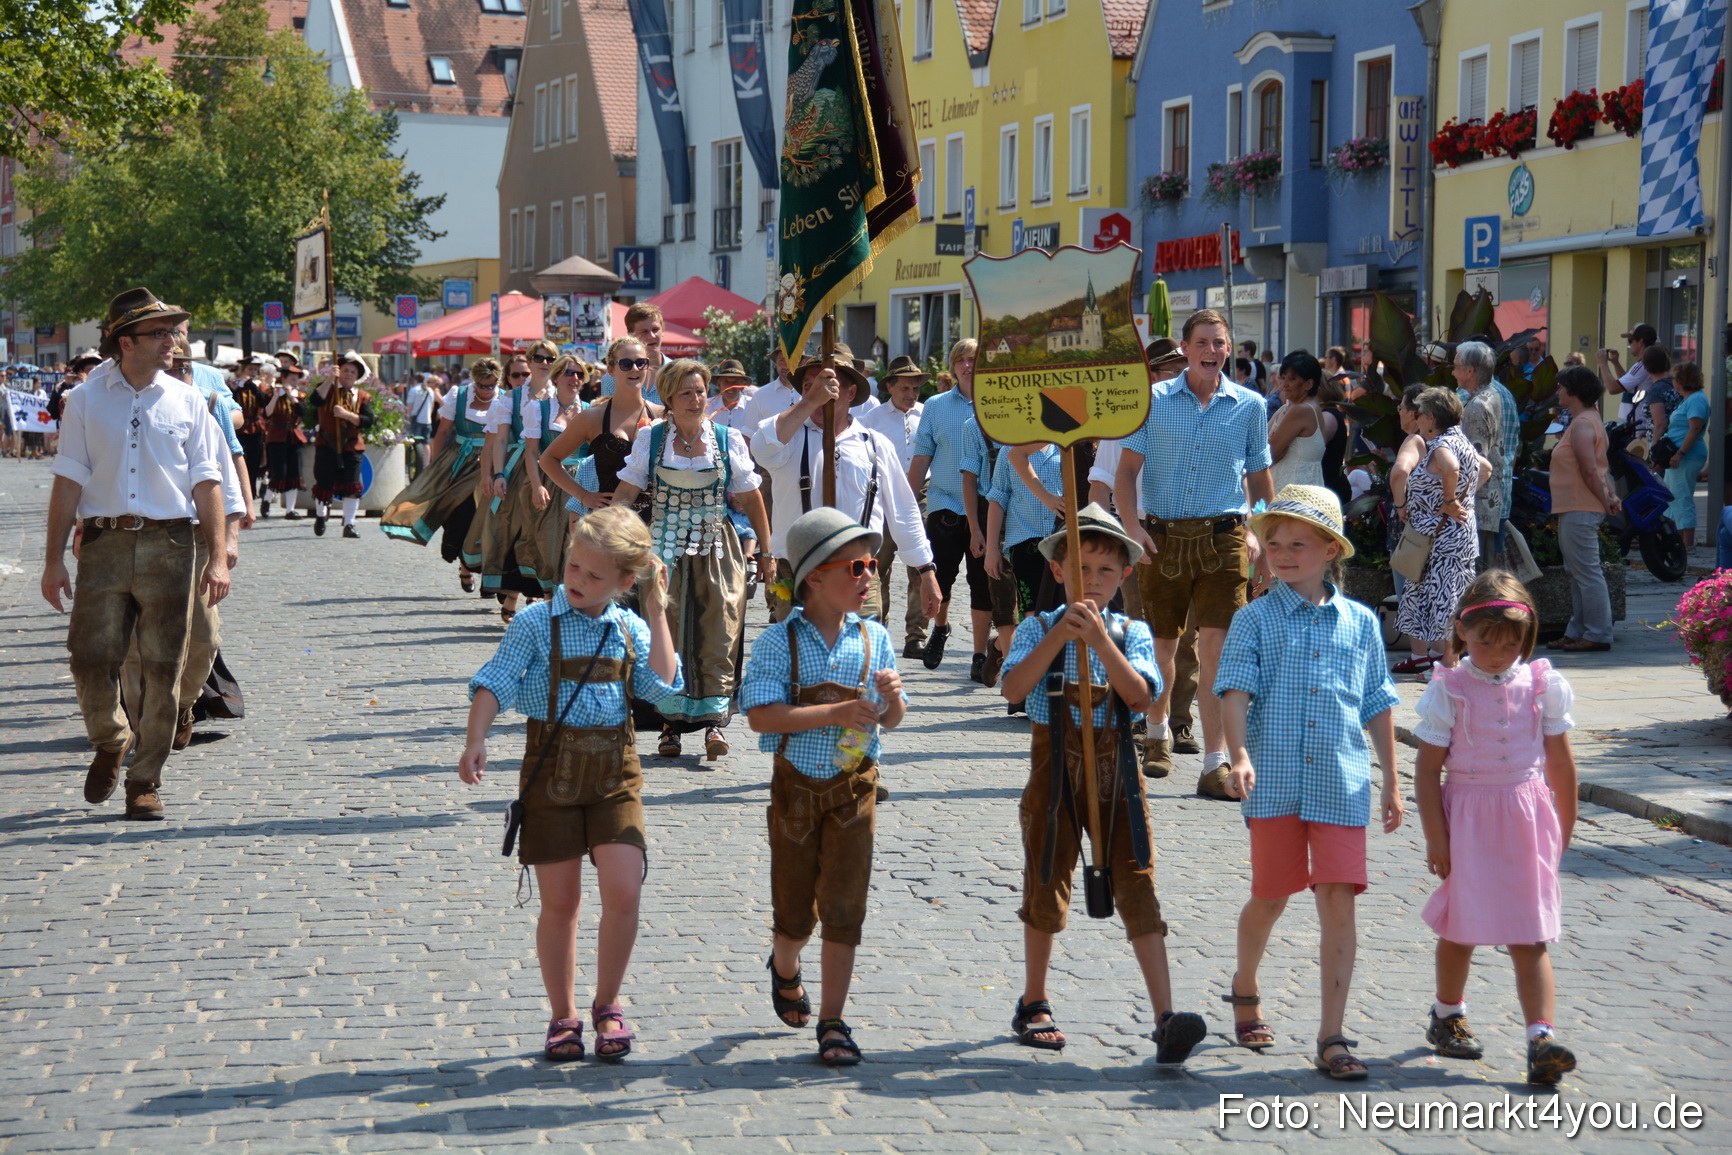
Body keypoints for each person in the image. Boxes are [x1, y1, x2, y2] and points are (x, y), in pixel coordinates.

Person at [460, 505, 681, 1062]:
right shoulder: (536, 622)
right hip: (552, 775)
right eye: (574, 567)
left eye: (593, 575)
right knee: (561, 902)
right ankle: (564, 1015)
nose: (577, 581)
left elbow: (662, 686)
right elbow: (496, 680)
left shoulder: (627, 626)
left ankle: (609, 1005)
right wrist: (475, 738)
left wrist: (656, 614)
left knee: (625, 891)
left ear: (625, 582)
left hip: (615, 776)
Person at [998, 503, 1208, 1062]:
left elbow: (1141, 695)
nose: (1093, 581)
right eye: (1082, 569)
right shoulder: (1037, 626)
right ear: (1059, 570)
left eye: (1106, 572)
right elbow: (1013, 690)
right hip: (1053, 771)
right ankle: (1034, 1000)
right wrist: (1057, 639)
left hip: (1118, 770)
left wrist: (1099, 643)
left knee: (1137, 879)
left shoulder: (1131, 631)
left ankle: (1165, 1015)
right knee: (1046, 873)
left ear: (1125, 576)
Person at [1215, 485, 1402, 1079]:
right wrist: (1238, 754)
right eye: (1274, 543)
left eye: (1298, 543)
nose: (1283, 553)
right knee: (1270, 897)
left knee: (1337, 899)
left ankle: (1332, 1036)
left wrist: (1393, 781)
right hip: (1273, 784)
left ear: (1329, 551)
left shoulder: (1362, 622)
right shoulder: (1252, 619)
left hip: (1344, 783)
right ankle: (1245, 987)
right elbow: (1235, 692)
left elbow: (1378, 702)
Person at [40, 288, 232, 820]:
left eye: (172, 331)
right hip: (102, 543)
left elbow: (207, 482)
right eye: (160, 333)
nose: (173, 341)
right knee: (88, 658)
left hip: (170, 544)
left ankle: (144, 780)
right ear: (126, 342)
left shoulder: (189, 399)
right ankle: (111, 738)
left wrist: (217, 555)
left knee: (162, 669)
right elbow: (68, 482)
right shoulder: (83, 400)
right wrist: (53, 559)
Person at [740, 508, 907, 1067]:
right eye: (855, 566)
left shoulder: (874, 637)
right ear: (813, 577)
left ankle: (834, 1022)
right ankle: (784, 965)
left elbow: (892, 721)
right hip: (794, 791)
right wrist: (838, 710)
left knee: (844, 906)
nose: (869, 576)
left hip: (855, 789)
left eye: (872, 565)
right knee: (794, 911)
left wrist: (893, 696)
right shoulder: (778, 641)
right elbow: (762, 717)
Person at [1412, 572, 1581, 1085]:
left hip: (1525, 815)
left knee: (1531, 932)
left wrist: (1563, 827)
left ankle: (1541, 1038)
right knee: (1461, 926)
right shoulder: (1451, 690)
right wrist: (1437, 836)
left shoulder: (1541, 684)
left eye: (1511, 643)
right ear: (1463, 632)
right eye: (1486, 640)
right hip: (1468, 814)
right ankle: (1447, 1014)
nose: (1497, 652)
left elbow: (1561, 762)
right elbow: (1426, 770)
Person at [1112, 309, 1274, 795]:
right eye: (1202, 342)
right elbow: (1124, 474)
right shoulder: (1154, 400)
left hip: (1225, 536)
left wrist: (1263, 537)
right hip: (1163, 536)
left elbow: (1261, 478)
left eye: (1219, 343)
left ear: (1229, 349)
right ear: (1184, 348)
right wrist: (1132, 528)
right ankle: (1158, 732)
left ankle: (1213, 763)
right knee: (1162, 645)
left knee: (1215, 653)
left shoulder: (1250, 405)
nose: (1211, 351)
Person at [602, 359, 771, 760]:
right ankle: (669, 724)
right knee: (668, 633)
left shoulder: (727, 440)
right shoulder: (652, 439)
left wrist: (766, 552)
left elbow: (751, 498)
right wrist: (610, 536)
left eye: (700, 391)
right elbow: (626, 493)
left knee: (720, 628)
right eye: (686, 393)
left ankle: (714, 722)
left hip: (717, 547)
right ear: (669, 399)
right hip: (664, 548)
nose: (696, 400)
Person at [751, 348, 942, 630]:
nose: (819, 392)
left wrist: (926, 571)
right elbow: (761, 448)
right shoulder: (787, 436)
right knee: (800, 664)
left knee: (862, 656)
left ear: (850, 394)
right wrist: (809, 402)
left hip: (859, 570)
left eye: (829, 385)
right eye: (810, 386)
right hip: (799, 569)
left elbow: (904, 512)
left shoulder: (875, 444)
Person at [381, 358, 503, 591]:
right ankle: (466, 565)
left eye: (492, 385)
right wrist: (436, 467)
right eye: (482, 385)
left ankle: (488, 571)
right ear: (474, 380)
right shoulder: (459, 395)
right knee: (460, 517)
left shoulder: (505, 398)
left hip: (493, 463)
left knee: (491, 520)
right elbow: (444, 431)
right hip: (459, 462)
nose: (487, 391)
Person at [908, 338, 992, 674]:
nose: (968, 366)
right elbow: (921, 457)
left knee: (982, 581)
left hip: (988, 504)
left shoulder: (998, 403)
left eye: (974, 359)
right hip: (944, 501)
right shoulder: (937, 405)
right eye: (961, 360)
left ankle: (979, 654)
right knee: (940, 575)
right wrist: (905, 502)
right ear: (953, 366)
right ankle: (940, 629)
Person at [1393, 388, 1487, 674]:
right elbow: (1486, 469)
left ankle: (1450, 663)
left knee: (1446, 599)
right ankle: (1449, 662)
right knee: (1448, 597)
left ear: (1431, 417)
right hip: (1455, 536)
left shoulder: (1441, 445)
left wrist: (1450, 500)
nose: (1416, 419)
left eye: (1419, 414)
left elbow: (1451, 467)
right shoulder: (1462, 441)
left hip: (1441, 540)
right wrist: (1463, 498)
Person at [540, 338, 663, 529]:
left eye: (641, 363)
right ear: (611, 370)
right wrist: (583, 495)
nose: (635, 369)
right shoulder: (592, 417)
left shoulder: (662, 414)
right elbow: (548, 459)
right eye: (626, 364)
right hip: (613, 525)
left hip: (658, 526)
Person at [1547, 367, 1622, 653]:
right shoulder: (1589, 419)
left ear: (1573, 391)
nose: (1557, 391)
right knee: (1579, 573)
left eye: (1561, 387)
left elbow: (1591, 470)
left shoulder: (1581, 424)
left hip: (1580, 505)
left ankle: (1598, 633)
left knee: (1587, 574)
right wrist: (1610, 496)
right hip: (1578, 505)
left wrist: (1606, 500)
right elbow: (1600, 468)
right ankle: (1578, 630)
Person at [861, 355, 929, 659]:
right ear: (889, 386)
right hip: (883, 496)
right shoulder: (873, 419)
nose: (911, 393)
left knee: (922, 566)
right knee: (879, 567)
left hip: (922, 494)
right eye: (905, 387)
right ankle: (879, 628)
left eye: (915, 388)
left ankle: (916, 634)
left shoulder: (927, 415)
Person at [304, 352, 376, 538]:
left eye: (353, 371)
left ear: (357, 376)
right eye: (345, 370)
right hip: (326, 444)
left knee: (352, 484)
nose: (349, 373)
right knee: (324, 484)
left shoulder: (362, 396)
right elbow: (314, 401)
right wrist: (330, 379)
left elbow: (368, 420)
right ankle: (321, 516)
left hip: (351, 446)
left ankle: (349, 524)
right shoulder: (326, 389)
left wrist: (347, 416)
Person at [1659, 361, 1710, 547]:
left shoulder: (1696, 399)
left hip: (1686, 456)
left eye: (1675, 378)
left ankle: (1687, 544)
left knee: (1681, 498)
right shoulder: (1689, 399)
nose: (1673, 381)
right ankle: (1678, 541)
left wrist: (1680, 453)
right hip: (1679, 456)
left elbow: (1695, 428)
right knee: (1674, 497)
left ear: (1682, 380)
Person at [1267, 350, 1328, 492]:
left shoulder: (1303, 409)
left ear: (1308, 384)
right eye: (1282, 378)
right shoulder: (1288, 408)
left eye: (1292, 379)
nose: (1284, 384)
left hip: (1293, 495)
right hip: (1292, 491)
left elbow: (1269, 453)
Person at [262, 363, 307, 520]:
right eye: (292, 379)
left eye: (296, 379)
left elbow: (302, 412)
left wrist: (292, 396)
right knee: (279, 472)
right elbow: (267, 413)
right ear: (284, 379)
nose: (295, 382)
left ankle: (290, 510)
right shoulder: (272, 393)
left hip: (294, 435)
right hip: (277, 436)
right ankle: (266, 500)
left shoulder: (299, 396)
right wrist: (275, 396)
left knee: (295, 473)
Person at [1598, 322, 1657, 424]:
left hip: (1636, 427)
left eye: (1631, 341)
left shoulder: (1642, 366)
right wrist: (1616, 363)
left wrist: (1603, 364)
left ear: (1641, 342)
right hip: (1634, 425)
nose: (1629, 345)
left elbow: (1613, 389)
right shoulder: (1644, 364)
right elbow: (1627, 385)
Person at [404, 373, 439, 474]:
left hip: (417, 420)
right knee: (426, 443)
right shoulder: (430, 391)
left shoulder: (414, 390)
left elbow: (410, 407)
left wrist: (407, 418)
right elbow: (432, 407)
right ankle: (426, 465)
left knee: (415, 443)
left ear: (415, 380)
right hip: (427, 420)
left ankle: (416, 464)